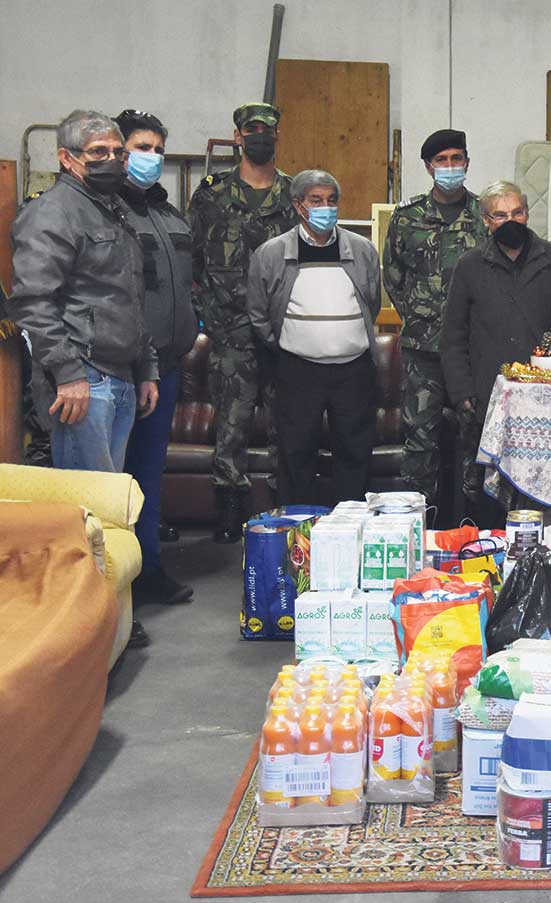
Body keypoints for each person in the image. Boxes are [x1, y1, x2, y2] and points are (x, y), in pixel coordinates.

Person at [8, 109, 159, 475]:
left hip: (120, 375)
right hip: (83, 379)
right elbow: (33, 302)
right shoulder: (52, 212)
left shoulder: (113, 210)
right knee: (86, 500)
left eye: (117, 152)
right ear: (67, 157)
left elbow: (130, 295)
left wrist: (146, 367)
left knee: (109, 498)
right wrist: (68, 374)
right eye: (98, 151)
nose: (111, 159)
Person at [442, 181, 551, 516]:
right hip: (487, 397)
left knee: (541, 492)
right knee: (487, 495)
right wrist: (462, 393)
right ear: (486, 221)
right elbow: (453, 336)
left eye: (517, 212)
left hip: (550, 400)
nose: (510, 221)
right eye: (500, 215)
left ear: (527, 214)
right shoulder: (470, 265)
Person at [189, 102, 296, 541]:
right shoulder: (211, 195)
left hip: (284, 333)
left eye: (267, 130)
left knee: (286, 426)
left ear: (277, 135)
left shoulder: (294, 194)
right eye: (251, 130)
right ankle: (230, 507)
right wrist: (210, 316)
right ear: (237, 136)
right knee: (230, 427)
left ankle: (285, 508)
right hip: (230, 333)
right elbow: (194, 262)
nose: (259, 137)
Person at [247, 170, 381, 507]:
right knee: (296, 454)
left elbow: (372, 302)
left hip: (354, 371)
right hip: (298, 371)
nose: (326, 208)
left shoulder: (362, 249)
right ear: (298, 205)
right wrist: (289, 344)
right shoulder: (271, 253)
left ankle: (352, 525)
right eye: (316, 201)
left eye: (331, 201)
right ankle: (300, 528)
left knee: (355, 454)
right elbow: (259, 313)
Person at [115, 108, 198, 607]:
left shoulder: (170, 217)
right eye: (142, 148)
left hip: (163, 367)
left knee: (148, 474)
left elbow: (187, 284)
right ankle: (113, 584)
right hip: (113, 368)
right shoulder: (107, 213)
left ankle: (147, 569)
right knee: (111, 480)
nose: (152, 157)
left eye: (158, 150)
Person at [383, 128, 488, 509]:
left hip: (473, 351)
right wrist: (420, 315)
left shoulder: (485, 215)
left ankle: (474, 520)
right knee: (420, 439)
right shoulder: (407, 217)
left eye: (456, 159)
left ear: (467, 163)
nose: (450, 166)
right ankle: (418, 516)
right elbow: (393, 275)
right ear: (429, 167)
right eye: (441, 161)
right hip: (423, 351)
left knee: (474, 437)